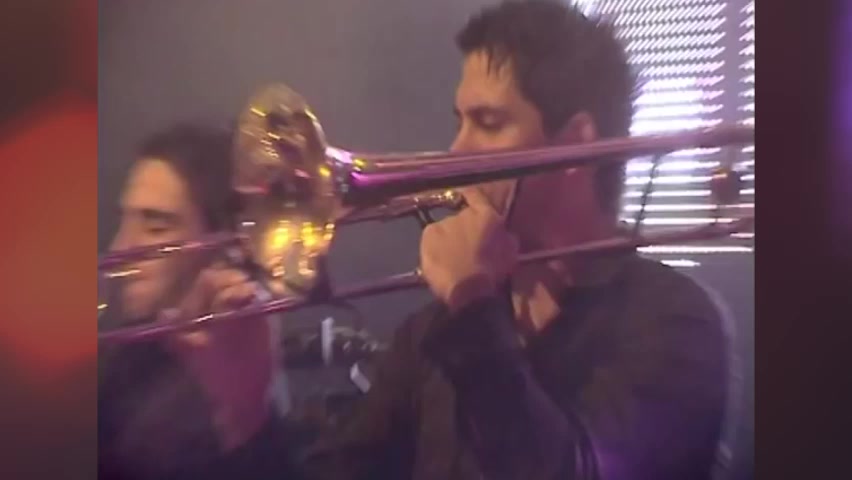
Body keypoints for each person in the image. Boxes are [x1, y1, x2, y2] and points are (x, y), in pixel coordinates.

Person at [291, 1, 737, 479]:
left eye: (488, 122)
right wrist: (247, 414)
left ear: (576, 146)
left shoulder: (677, 321)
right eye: (460, 122)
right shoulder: (431, 330)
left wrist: (471, 308)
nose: (455, 150)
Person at [97, 125, 307, 480]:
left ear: (223, 242)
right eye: (126, 220)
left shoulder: (237, 371)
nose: (120, 248)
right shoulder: (128, 351)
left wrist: (240, 416)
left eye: (156, 227)